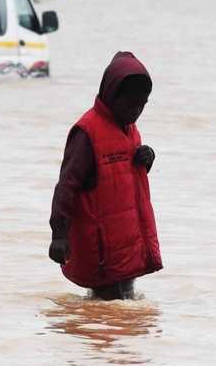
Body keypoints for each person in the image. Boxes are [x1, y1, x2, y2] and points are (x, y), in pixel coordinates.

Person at [48, 51, 162, 300]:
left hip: (126, 245)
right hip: (102, 251)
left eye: (142, 105)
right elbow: (66, 186)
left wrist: (147, 157)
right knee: (104, 313)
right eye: (130, 104)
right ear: (111, 95)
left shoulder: (129, 128)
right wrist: (59, 234)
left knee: (123, 316)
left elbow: (121, 177)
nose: (135, 111)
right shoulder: (87, 133)